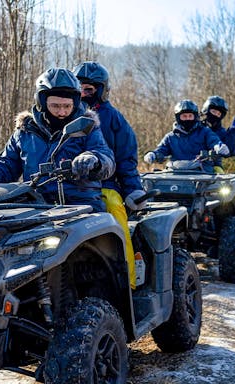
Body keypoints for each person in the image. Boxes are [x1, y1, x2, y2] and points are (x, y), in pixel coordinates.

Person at [0, 67, 115, 213]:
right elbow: (4, 169)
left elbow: (106, 157)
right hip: (36, 207)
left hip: (81, 207)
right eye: (55, 106)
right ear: (42, 103)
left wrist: (94, 160)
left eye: (67, 106)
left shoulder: (87, 126)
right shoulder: (25, 131)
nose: (62, 112)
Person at [73, 61, 146, 289]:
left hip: (105, 185)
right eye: (80, 88)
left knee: (117, 221)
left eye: (90, 89)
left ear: (102, 90)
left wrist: (133, 188)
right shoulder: (64, 114)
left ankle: (128, 284)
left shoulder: (113, 118)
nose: (84, 93)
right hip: (63, 189)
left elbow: (126, 158)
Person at [143, 99, 229, 173]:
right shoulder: (170, 137)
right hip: (175, 174)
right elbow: (162, 149)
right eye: (184, 116)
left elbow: (214, 141)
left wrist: (219, 147)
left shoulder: (205, 132)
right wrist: (153, 154)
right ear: (178, 117)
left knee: (218, 190)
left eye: (190, 116)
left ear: (195, 117)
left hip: (202, 173)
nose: (187, 118)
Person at [200, 95, 235, 173]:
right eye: (214, 112)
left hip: (214, 166)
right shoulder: (196, 127)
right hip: (192, 164)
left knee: (220, 180)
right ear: (206, 110)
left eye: (219, 114)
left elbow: (231, 152)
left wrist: (232, 132)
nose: (216, 115)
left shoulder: (221, 132)